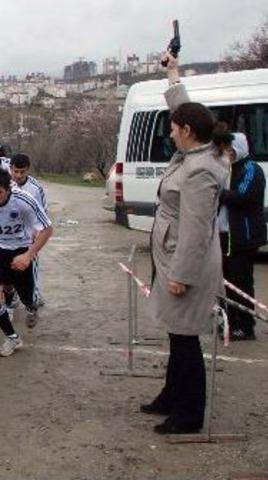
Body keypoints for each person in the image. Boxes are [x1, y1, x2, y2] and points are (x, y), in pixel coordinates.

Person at [140, 52, 229, 435]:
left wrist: (182, 275)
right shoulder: (197, 149)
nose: (171, 132)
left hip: (185, 262)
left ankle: (189, 413)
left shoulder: (200, 170)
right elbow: (188, 111)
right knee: (177, 335)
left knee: (186, 339)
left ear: (188, 132)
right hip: (172, 255)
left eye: (175, 128)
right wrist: (173, 75)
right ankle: (171, 395)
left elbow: (195, 229)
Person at [0, 166, 53, 356]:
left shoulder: (24, 201)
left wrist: (28, 255)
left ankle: (31, 307)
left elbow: (47, 229)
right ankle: (13, 338)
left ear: (8, 189)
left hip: (21, 252)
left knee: (27, 297)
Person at [218, 133, 266, 341]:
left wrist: (218, 192)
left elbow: (242, 195)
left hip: (243, 237)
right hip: (225, 235)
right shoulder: (228, 168)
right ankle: (229, 321)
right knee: (226, 282)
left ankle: (246, 325)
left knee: (241, 283)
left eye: (231, 149)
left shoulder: (251, 169)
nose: (228, 153)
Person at [10, 154, 49, 306]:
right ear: (10, 169)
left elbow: (43, 213)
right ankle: (11, 295)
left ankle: (34, 294)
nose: (18, 175)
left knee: (31, 265)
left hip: (29, 235)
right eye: (15, 171)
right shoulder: (4, 184)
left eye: (22, 172)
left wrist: (37, 233)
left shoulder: (35, 188)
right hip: (9, 234)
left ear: (27, 170)